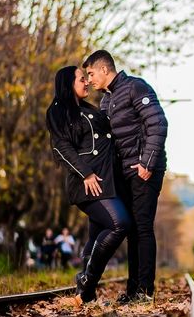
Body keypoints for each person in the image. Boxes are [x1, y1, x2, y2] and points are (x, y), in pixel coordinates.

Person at [83, 50, 168, 304]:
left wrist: (147, 163)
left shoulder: (135, 87)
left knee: (142, 228)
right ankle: (134, 291)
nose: (89, 80)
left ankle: (144, 292)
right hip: (123, 175)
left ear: (104, 70)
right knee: (131, 230)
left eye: (91, 73)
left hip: (144, 171)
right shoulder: (106, 101)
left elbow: (158, 124)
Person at [46, 65, 132, 302]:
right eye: (81, 79)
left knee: (96, 234)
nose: (86, 82)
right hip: (88, 182)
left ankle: (86, 293)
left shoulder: (86, 108)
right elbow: (61, 148)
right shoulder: (60, 111)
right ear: (67, 84)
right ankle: (87, 279)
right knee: (119, 223)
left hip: (107, 180)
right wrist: (85, 173)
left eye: (87, 78)